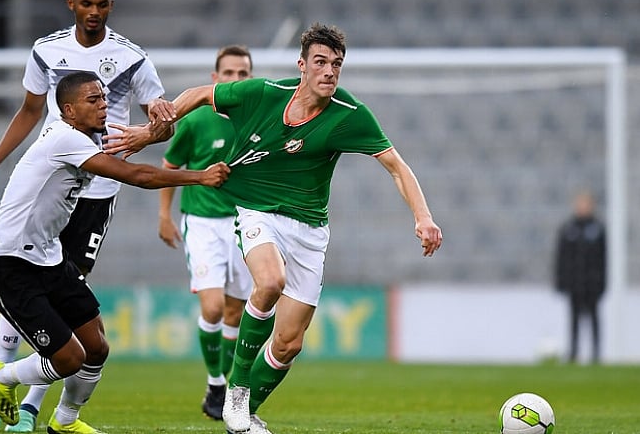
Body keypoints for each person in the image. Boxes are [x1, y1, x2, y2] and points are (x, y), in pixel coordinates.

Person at [106, 23, 443, 434]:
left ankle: (244, 415)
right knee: (269, 282)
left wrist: (422, 216)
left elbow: (396, 165)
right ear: (302, 66)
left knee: (288, 345)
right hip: (257, 212)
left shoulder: (349, 115)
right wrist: (155, 129)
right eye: (320, 62)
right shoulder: (262, 93)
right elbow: (199, 94)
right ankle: (234, 392)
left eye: (337, 64)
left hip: (311, 231)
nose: (329, 71)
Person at [0, 71, 228, 434]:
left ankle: (64, 421)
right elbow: (138, 176)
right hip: (10, 263)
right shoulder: (65, 139)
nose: (103, 105)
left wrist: (156, 129)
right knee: (69, 358)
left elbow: (134, 144)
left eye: (103, 98)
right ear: (68, 110)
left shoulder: (86, 137)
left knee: (96, 347)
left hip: (48, 257)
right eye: (93, 100)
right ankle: (5, 375)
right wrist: (200, 176)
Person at [0, 0, 172, 431]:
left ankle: (31, 408)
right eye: (87, 3)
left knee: (66, 292)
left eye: (103, 4)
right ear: (72, 4)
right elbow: (29, 111)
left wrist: (152, 130)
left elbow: (160, 125)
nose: (95, 12)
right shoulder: (46, 50)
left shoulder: (132, 58)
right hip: (52, 181)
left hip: (98, 190)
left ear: (111, 7)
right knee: (29, 275)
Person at [158, 45, 254, 421]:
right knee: (213, 307)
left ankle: (223, 385)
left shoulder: (257, 118)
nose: (234, 79)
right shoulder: (197, 120)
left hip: (245, 223)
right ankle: (216, 380)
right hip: (201, 221)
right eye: (227, 73)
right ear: (215, 79)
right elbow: (169, 165)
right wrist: (164, 215)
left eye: (242, 73)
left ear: (251, 78)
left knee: (236, 312)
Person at [554, 189, 606, 364]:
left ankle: (596, 354)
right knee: (574, 319)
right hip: (574, 283)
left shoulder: (598, 229)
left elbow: (603, 258)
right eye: (580, 204)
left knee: (594, 318)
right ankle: (573, 352)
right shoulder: (568, 229)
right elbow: (561, 257)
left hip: (592, 283)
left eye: (586, 204)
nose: (582, 207)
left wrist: (602, 283)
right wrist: (561, 281)